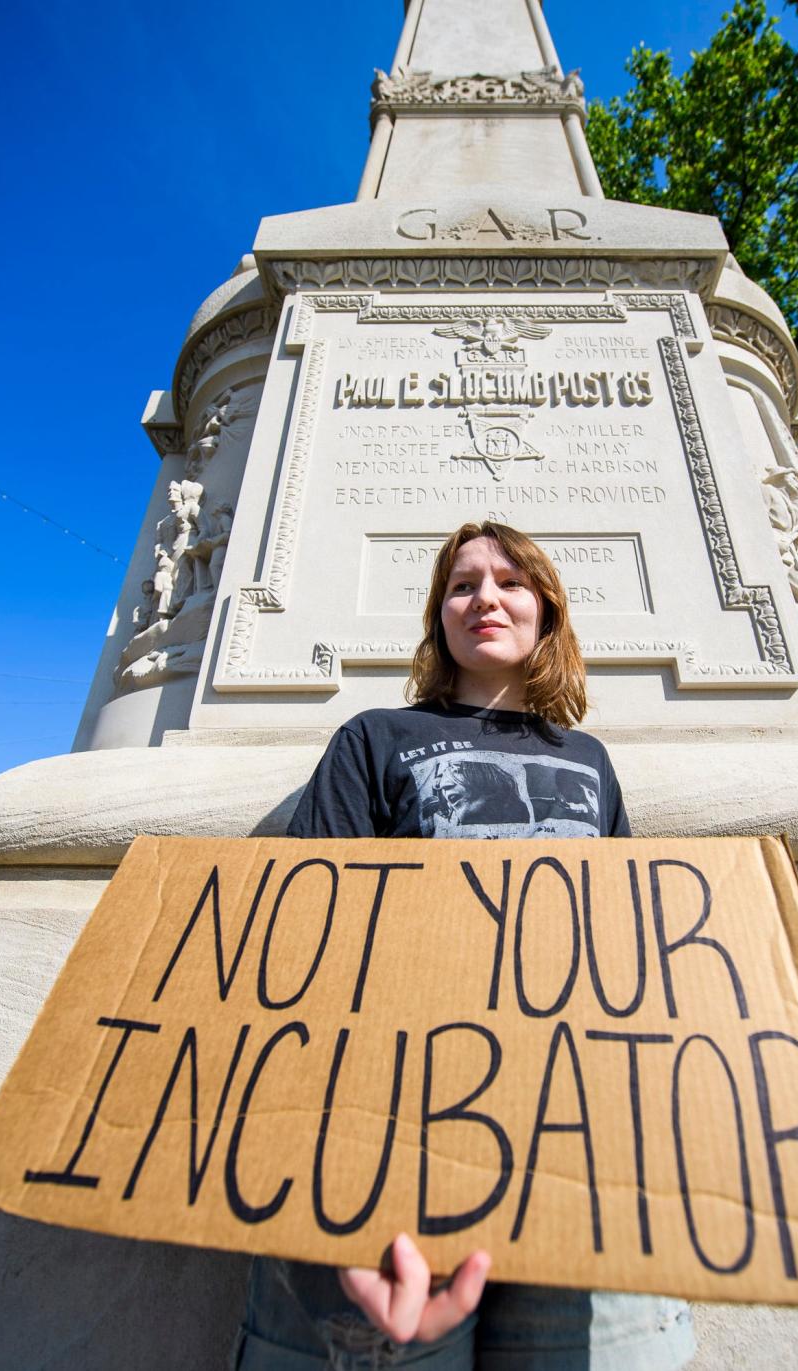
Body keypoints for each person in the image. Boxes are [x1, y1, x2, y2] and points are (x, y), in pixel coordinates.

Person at [235, 521, 695, 1370]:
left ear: (545, 612)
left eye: (512, 582)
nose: (486, 596)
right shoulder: (374, 740)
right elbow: (306, 936)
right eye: (462, 584)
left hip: (575, 1144)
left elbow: (626, 947)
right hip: (397, 1139)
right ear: (439, 617)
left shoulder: (590, 759)